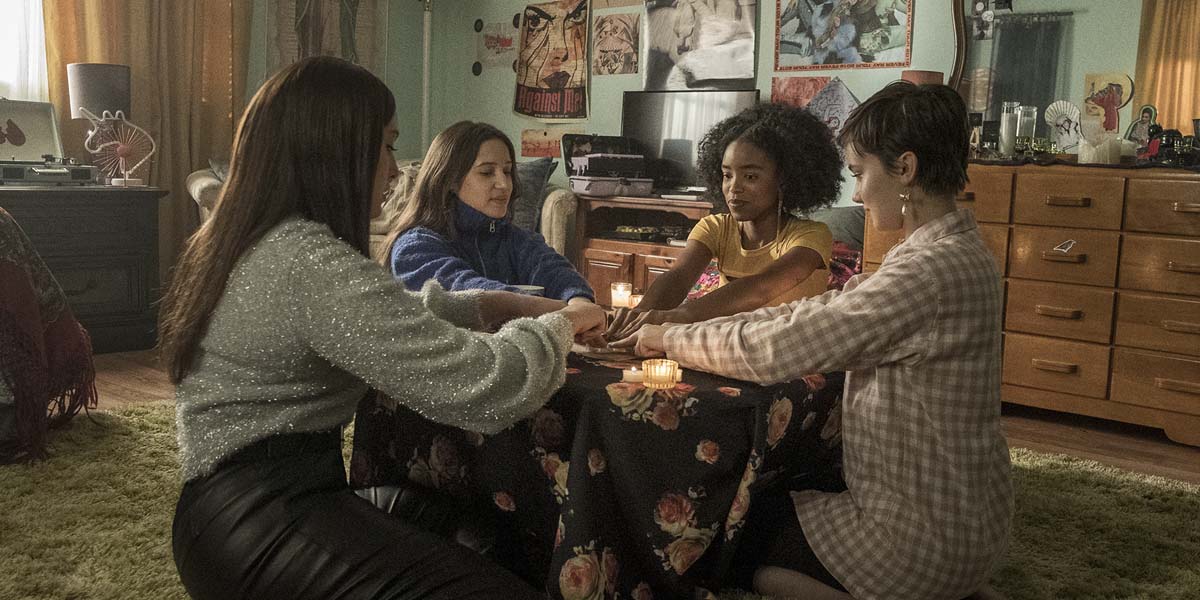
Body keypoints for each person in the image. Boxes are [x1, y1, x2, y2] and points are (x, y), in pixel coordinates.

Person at [158, 56, 606, 600]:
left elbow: (394, 312)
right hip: (258, 521)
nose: (395, 170)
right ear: (337, 150)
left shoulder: (264, 242)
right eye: (388, 146)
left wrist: (499, 304)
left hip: (242, 507)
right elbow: (486, 381)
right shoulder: (307, 262)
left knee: (506, 543)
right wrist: (562, 322)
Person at [613, 82, 1013, 600]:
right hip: (973, 521)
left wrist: (669, 338)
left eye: (860, 174)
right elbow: (816, 312)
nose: (857, 194)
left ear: (905, 169)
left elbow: (773, 350)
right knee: (776, 496)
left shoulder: (927, 273)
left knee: (718, 536)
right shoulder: (961, 252)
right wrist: (679, 328)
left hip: (920, 540)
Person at [607, 102, 842, 339]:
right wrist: (640, 317)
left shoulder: (812, 236)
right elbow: (678, 278)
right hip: (726, 348)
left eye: (750, 176)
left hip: (788, 352)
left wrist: (677, 316)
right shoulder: (715, 227)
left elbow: (761, 287)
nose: (733, 187)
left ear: (784, 180)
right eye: (727, 175)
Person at [382, 120, 595, 307]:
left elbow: (555, 271)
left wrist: (580, 302)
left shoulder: (516, 239)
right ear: (451, 181)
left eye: (507, 171)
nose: (504, 184)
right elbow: (469, 292)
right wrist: (562, 311)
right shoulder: (415, 247)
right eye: (486, 172)